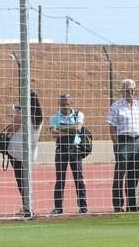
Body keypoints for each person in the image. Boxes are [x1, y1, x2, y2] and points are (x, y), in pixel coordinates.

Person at [107, 79, 139, 212]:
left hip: (137, 140)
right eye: (127, 89)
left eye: (132, 89)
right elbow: (112, 127)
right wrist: (116, 143)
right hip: (123, 141)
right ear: (122, 91)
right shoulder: (116, 106)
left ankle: (132, 204)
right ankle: (118, 205)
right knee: (120, 174)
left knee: (134, 174)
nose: (130, 92)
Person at [49, 92, 87, 215]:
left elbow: (78, 128)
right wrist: (70, 130)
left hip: (75, 149)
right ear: (59, 104)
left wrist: (61, 129)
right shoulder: (54, 117)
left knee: (79, 179)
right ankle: (58, 208)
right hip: (61, 149)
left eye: (67, 104)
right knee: (60, 179)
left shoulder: (78, 114)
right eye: (62, 104)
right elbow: (54, 134)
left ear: (71, 103)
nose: (65, 106)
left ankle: (83, 207)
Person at [7, 90, 44, 219]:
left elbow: (13, 128)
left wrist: (15, 113)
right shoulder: (39, 115)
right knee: (26, 179)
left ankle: (27, 205)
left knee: (20, 180)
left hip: (17, 150)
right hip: (31, 151)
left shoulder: (22, 113)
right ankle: (28, 204)